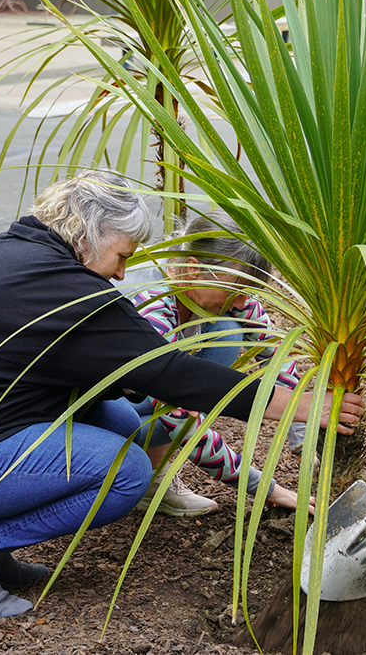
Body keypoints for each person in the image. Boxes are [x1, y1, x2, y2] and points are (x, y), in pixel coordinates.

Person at [0, 170, 362, 620]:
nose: (122, 272)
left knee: (121, 423)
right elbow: (171, 376)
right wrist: (297, 411)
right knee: (124, 472)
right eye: (121, 254)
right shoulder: (68, 292)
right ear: (87, 235)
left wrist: (299, 426)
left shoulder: (9, 253)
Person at [118, 211, 310, 516]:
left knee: (227, 332)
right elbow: (182, 418)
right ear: (194, 268)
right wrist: (266, 488)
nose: (242, 303)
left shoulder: (210, 285)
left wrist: (303, 436)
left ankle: (153, 476)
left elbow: (274, 350)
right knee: (170, 404)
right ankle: (143, 475)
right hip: (97, 418)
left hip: (154, 393)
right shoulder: (150, 310)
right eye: (236, 292)